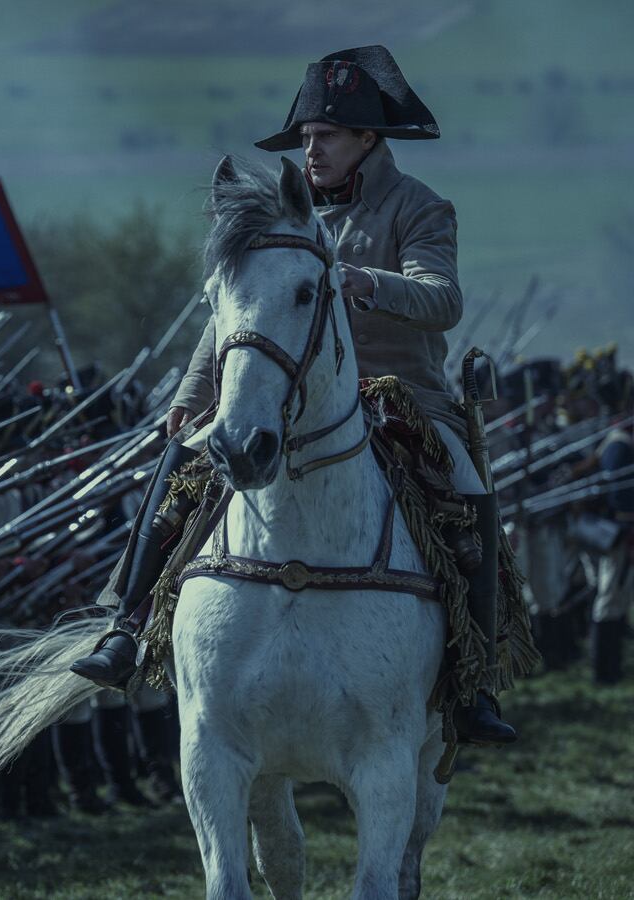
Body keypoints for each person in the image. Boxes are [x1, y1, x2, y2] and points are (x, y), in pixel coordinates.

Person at [70, 44, 518, 745]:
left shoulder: (420, 207)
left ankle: (473, 677)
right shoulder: (280, 213)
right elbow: (234, 313)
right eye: (306, 140)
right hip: (278, 392)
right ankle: (125, 629)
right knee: (181, 466)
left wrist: (367, 282)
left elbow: (443, 299)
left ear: (367, 140)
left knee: (467, 488)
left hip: (403, 393)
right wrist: (193, 393)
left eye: (325, 137)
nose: (311, 152)